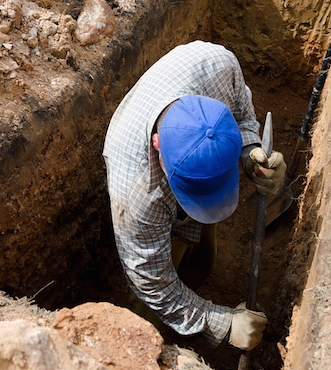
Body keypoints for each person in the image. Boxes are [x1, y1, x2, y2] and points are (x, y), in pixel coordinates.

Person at [102, 41, 286, 350]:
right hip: (147, 196)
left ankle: (187, 313)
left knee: (202, 260)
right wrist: (223, 323)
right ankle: (154, 348)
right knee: (148, 316)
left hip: (188, 174)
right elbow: (154, 283)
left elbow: (242, 113)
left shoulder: (217, 65)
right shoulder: (136, 191)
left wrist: (249, 149)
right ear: (157, 145)